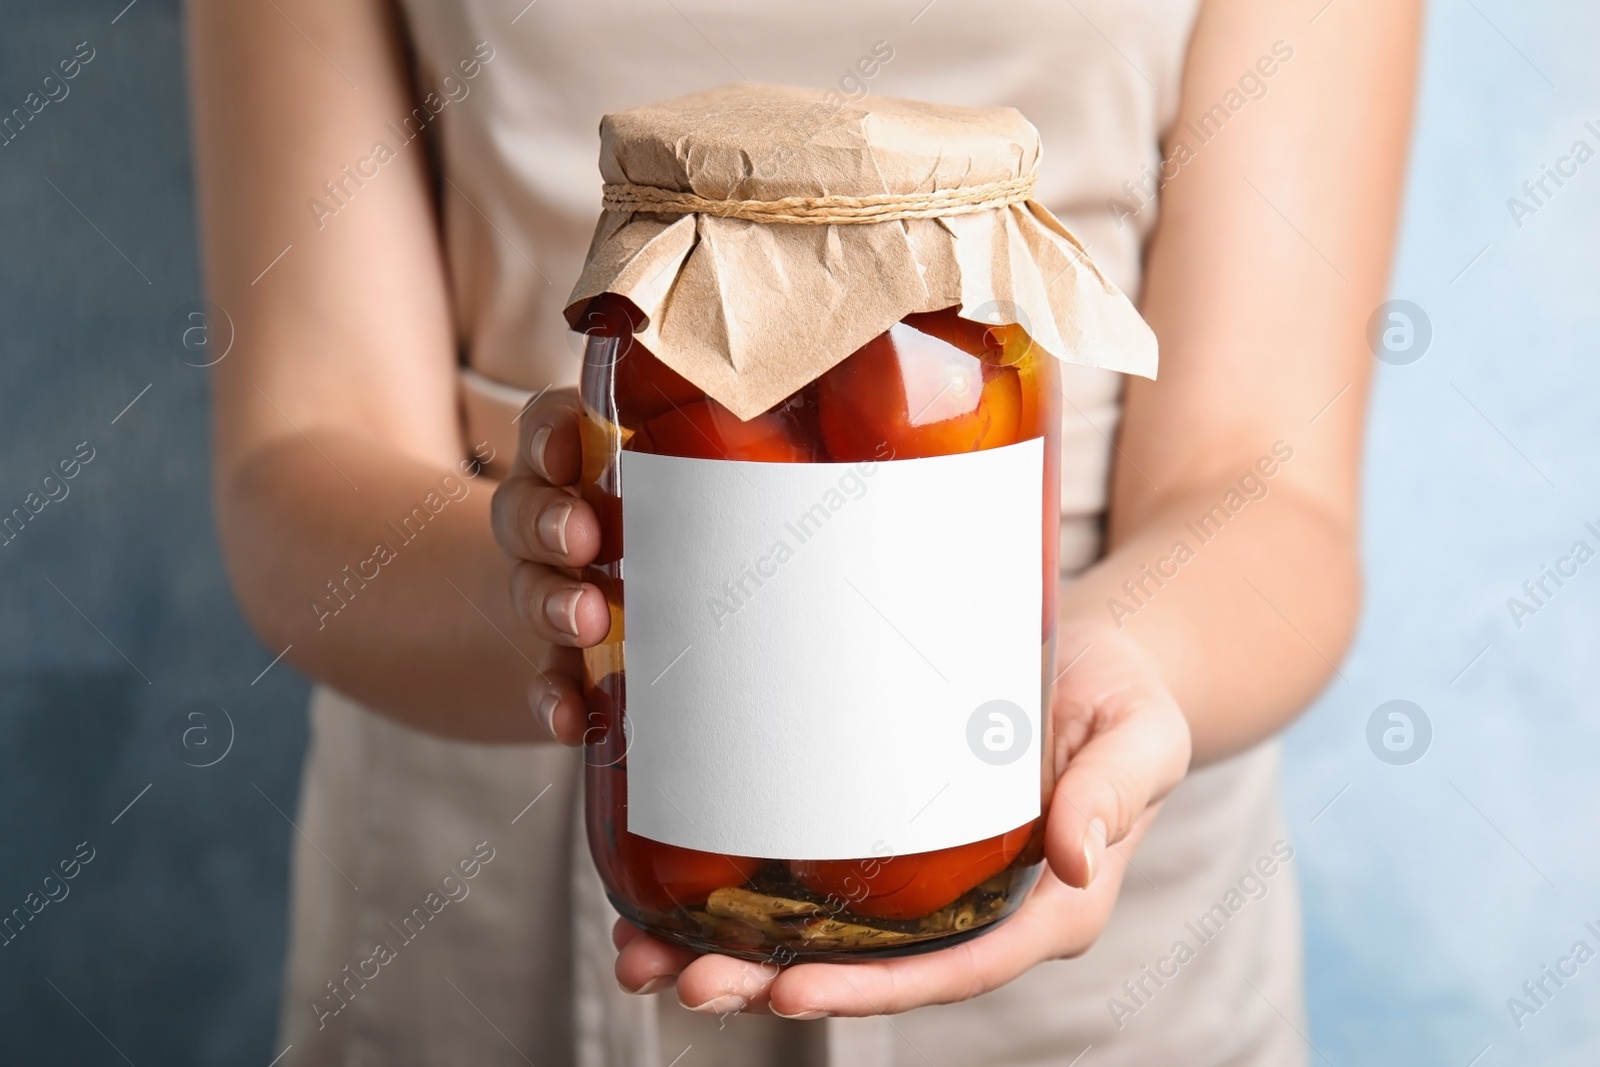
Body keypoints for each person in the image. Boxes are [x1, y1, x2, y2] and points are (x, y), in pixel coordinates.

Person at [190, 0, 1418, 1063]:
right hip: (480, 878)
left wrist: (1107, 672)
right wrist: (543, 591)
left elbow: (1266, 488)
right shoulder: (637, 379)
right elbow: (299, 454)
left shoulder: (977, 357)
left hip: (1088, 896)